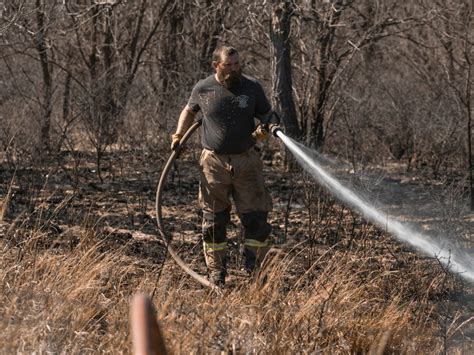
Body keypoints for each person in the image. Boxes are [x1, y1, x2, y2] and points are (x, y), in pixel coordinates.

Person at [170, 46, 279, 286]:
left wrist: (266, 128)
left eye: (237, 64)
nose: (234, 69)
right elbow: (188, 111)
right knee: (214, 221)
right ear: (215, 65)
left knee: (256, 219)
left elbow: (268, 114)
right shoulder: (203, 88)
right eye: (228, 65)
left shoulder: (252, 88)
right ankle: (216, 273)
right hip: (213, 163)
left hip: (246, 160)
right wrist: (178, 136)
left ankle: (255, 272)